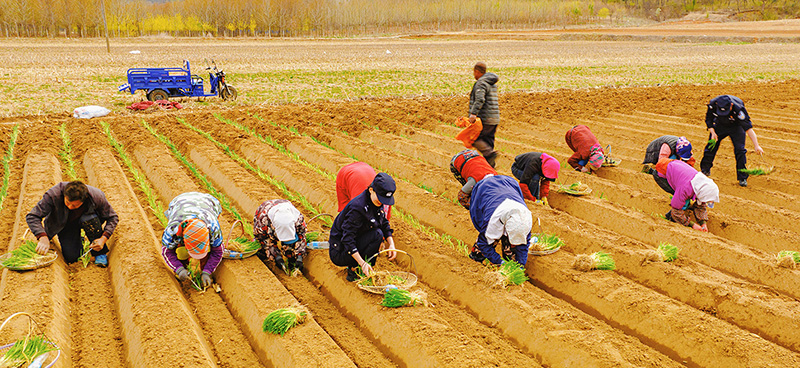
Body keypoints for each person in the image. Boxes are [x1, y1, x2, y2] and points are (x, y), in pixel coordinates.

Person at [26, 181, 118, 267]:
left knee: (90, 219)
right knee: (72, 258)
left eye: (74, 205)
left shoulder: (96, 197)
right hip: (64, 223)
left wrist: (103, 238)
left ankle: (100, 253)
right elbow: (32, 216)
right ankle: (78, 241)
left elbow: (113, 217)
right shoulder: (53, 195)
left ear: (84, 200)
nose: (70, 207)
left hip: (88, 220)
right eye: (67, 203)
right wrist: (42, 237)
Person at [329, 173, 397, 281]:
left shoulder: (376, 202)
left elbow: (384, 223)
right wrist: (362, 263)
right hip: (340, 250)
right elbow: (347, 239)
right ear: (371, 190)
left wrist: (391, 244)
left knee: (377, 234)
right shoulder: (358, 208)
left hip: (356, 239)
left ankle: (366, 267)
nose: (382, 202)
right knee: (376, 234)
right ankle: (354, 269)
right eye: (380, 198)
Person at [161, 192, 223, 289]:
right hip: (180, 203)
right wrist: (179, 269)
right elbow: (167, 251)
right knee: (179, 252)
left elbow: (218, 251)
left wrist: (207, 271)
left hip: (207, 202)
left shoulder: (213, 228)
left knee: (212, 248)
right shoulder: (173, 229)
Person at [700, 95, 764, 187]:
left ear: (731, 105)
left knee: (740, 150)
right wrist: (712, 132)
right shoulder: (713, 104)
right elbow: (708, 119)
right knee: (711, 146)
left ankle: (742, 177)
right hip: (719, 125)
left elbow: (748, 128)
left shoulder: (739, 109)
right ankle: (704, 171)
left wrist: (756, 145)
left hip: (736, 127)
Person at [468, 175, 532, 267]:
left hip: (509, 185)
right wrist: (499, 261)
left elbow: (524, 246)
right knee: (486, 243)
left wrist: (520, 264)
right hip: (485, 189)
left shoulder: (525, 221)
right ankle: (475, 263)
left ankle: (510, 264)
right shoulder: (491, 221)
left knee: (512, 250)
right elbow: (484, 244)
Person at [654, 158, 719, 232]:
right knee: (681, 202)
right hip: (661, 172)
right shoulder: (686, 189)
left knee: (684, 200)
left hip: (676, 167)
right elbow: (676, 211)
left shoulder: (701, 186)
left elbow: (701, 205)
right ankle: (670, 217)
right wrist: (692, 225)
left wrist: (703, 223)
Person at [253, 199, 308, 273]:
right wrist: (276, 256)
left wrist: (299, 256)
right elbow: (265, 240)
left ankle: (291, 259)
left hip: (285, 206)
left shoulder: (298, 220)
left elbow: (302, 236)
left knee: (291, 249)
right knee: (263, 248)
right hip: (267, 208)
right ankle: (264, 255)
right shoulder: (263, 223)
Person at [468, 61, 500, 167]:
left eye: (474, 72)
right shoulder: (492, 83)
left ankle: (489, 154)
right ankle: (491, 168)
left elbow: (480, 99)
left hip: (485, 118)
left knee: (474, 138)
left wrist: (473, 114)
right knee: (488, 141)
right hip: (494, 118)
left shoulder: (481, 83)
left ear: (477, 72)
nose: (474, 75)